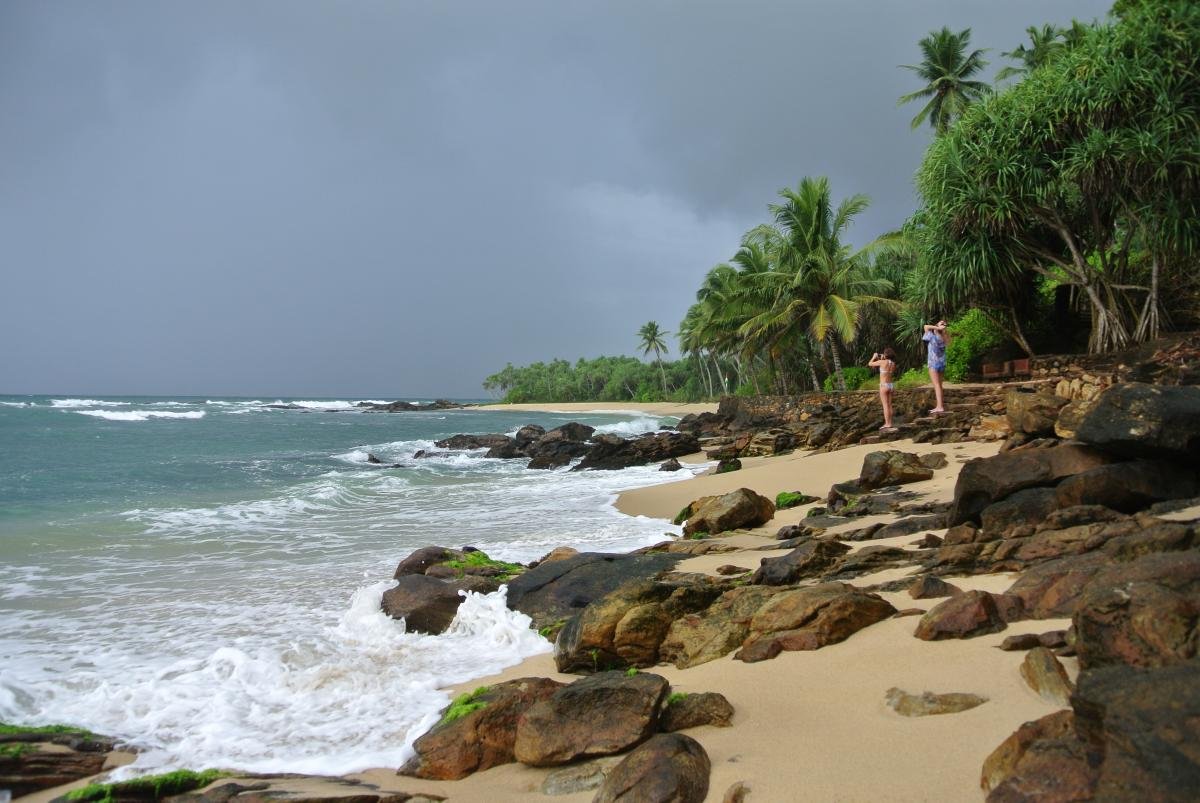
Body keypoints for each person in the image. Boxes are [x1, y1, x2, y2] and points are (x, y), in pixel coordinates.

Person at [922, 320, 950, 413]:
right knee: (940, 385)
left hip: (933, 363)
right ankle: (940, 405)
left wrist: (937, 327)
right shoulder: (943, 337)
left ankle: (940, 406)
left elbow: (926, 326)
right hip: (942, 363)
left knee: (936, 385)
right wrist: (942, 329)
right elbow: (948, 342)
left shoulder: (932, 336)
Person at [868, 347, 898, 432]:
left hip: (883, 386)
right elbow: (887, 366)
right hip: (891, 385)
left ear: (886, 354)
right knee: (889, 405)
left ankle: (887, 424)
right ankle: (890, 423)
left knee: (885, 405)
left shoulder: (882, 362)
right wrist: (882, 357)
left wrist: (874, 357)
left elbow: (870, 364)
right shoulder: (893, 363)